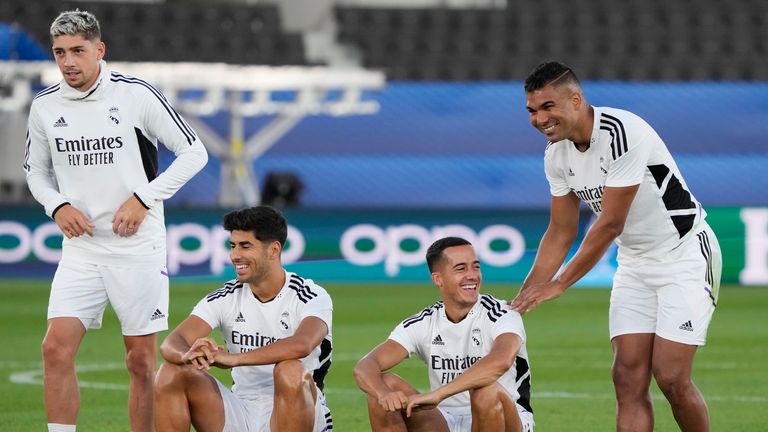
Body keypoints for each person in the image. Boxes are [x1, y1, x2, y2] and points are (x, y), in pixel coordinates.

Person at [23, 10, 208, 432]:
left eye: (77, 51)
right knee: (55, 349)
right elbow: (36, 171)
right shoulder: (45, 106)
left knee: (140, 359)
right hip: (82, 249)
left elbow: (195, 152)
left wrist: (144, 198)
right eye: (59, 53)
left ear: (99, 50)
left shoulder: (135, 95)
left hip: (136, 247)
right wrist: (57, 206)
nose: (68, 61)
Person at [511, 61, 721, 432]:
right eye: (531, 110)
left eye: (547, 107)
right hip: (635, 263)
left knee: (671, 376)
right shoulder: (555, 155)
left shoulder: (622, 131)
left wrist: (559, 284)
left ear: (575, 100)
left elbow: (610, 223)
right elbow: (560, 232)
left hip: (684, 254)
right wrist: (523, 298)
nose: (539, 119)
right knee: (627, 378)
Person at [154, 206, 333, 432]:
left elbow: (302, 344)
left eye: (245, 246)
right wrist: (188, 354)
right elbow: (172, 343)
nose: (235, 255)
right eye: (232, 246)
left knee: (289, 371)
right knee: (170, 372)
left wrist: (233, 358)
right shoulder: (225, 297)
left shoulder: (311, 296)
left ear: (274, 250)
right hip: (241, 408)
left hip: (299, 411)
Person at [355, 237, 534, 432]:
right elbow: (365, 365)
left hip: (506, 419)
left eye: (475, 267)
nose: (472, 275)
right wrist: (382, 393)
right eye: (461, 268)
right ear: (438, 279)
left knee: (485, 391)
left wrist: (439, 394)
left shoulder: (502, 313)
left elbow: (500, 361)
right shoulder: (425, 322)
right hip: (446, 420)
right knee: (384, 384)